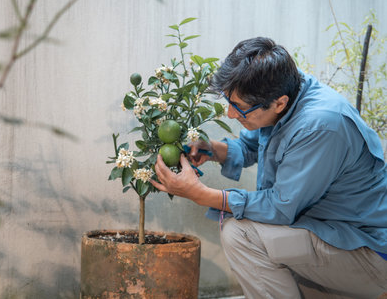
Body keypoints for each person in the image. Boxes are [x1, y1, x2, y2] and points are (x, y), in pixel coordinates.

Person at [150, 37, 387, 298]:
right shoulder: (286, 91)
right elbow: (253, 146)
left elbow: (279, 207)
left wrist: (200, 194)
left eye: (239, 108)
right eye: (228, 100)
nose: (230, 114)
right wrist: (213, 149)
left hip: (368, 251)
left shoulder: (320, 125)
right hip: (331, 234)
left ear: (279, 103)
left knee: (241, 234)